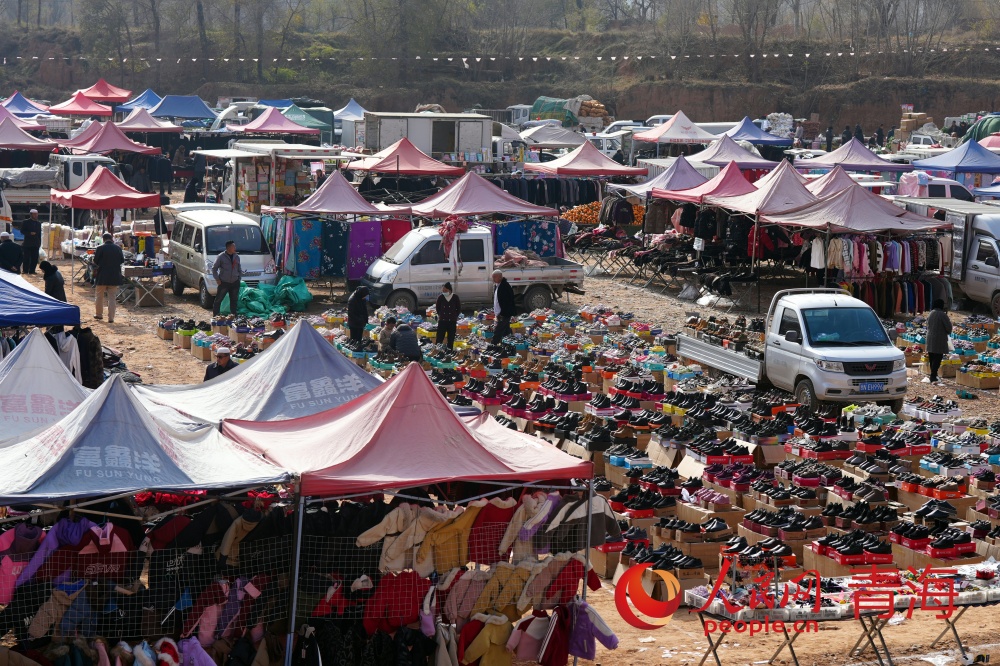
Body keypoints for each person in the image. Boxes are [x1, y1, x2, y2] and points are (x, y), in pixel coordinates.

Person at [93, 232, 124, 323]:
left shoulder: (100, 248)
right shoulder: (118, 248)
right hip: (114, 276)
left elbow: (95, 261)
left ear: (103, 239)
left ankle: (99, 315)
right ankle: (111, 318)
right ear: (111, 238)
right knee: (112, 298)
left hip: (102, 275)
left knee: (99, 296)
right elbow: (122, 260)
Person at [924, 299, 952, 385]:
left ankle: (933, 375)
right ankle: (933, 375)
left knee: (932, 356)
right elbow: (949, 328)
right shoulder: (943, 315)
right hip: (939, 338)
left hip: (930, 337)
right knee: (938, 357)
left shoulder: (931, 313)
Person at [211, 240, 243, 317]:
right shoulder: (221, 257)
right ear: (228, 248)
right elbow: (214, 268)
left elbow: (239, 268)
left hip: (235, 282)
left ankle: (233, 316)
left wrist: (239, 278)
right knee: (218, 300)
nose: (235, 248)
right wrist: (217, 279)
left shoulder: (237, 257)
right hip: (224, 282)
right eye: (233, 246)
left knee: (234, 300)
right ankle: (216, 316)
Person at [435, 281, 461, 349]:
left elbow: (458, 308)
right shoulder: (440, 297)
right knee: (440, 337)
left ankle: (449, 351)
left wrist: (454, 316)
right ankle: (437, 350)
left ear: (449, 290)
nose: (444, 292)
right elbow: (438, 308)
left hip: (452, 321)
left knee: (451, 338)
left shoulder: (455, 297)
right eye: (443, 290)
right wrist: (441, 315)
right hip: (442, 321)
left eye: (445, 290)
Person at [492, 270, 515, 341]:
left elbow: (507, 302)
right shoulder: (497, 286)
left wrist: (502, 313)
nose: (493, 279)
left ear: (500, 277)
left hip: (504, 314)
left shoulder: (505, 286)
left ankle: (493, 346)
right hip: (500, 313)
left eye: (494, 277)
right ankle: (508, 345)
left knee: (498, 331)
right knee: (506, 331)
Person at [20, 208, 41, 274]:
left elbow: (39, 234)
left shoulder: (38, 223)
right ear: (31, 215)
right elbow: (22, 231)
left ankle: (32, 270)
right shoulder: (25, 222)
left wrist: (39, 242)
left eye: (36, 214)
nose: (36, 215)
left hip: (35, 243)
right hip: (27, 243)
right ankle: (25, 270)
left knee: (35, 258)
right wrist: (29, 233)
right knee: (26, 258)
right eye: (34, 214)